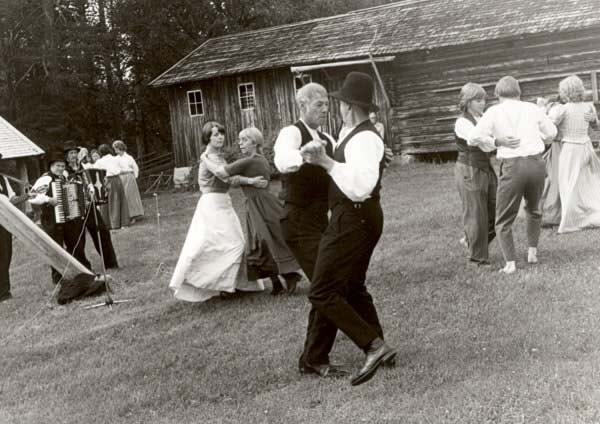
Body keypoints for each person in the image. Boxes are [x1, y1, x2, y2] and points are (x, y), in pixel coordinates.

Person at [300, 72, 396, 386]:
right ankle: (382, 347)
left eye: (340, 103)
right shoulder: (352, 132)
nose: (337, 108)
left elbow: (360, 186)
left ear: (350, 106)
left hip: (354, 218)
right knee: (353, 286)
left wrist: (327, 163)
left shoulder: (365, 137)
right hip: (356, 217)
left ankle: (373, 346)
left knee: (323, 291)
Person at [169, 121, 266, 302]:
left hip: (224, 202)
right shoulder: (208, 157)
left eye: (221, 133)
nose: (220, 137)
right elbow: (224, 176)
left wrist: (248, 180)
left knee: (234, 243)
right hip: (212, 204)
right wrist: (251, 181)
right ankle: (217, 286)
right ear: (207, 138)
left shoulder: (218, 157)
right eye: (215, 134)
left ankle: (232, 285)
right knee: (219, 245)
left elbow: (228, 176)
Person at [469, 76, 557, 274]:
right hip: (536, 163)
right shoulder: (532, 109)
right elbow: (552, 132)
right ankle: (532, 252)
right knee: (534, 209)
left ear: (498, 94)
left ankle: (510, 263)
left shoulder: (494, 111)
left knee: (504, 217)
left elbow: (474, 138)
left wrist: (497, 142)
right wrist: (537, 136)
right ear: (519, 92)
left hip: (513, 165)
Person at [201, 127, 303, 295]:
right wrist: (248, 180)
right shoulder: (251, 160)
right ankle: (276, 282)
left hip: (262, 205)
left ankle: (290, 275)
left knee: (267, 241)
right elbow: (231, 181)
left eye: (244, 140)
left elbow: (221, 172)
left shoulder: (253, 160)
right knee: (257, 244)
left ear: (254, 143)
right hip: (254, 205)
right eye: (239, 140)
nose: (240, 143)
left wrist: (205, 158)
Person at [454, 83, 520, 266]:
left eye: (484, 99)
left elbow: (497, 135)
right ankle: (477, 258)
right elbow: (477, 140)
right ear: (467, 102)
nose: (483, 103)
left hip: (485, 167)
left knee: (497, 210)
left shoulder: (484, 117)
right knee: (476, 213)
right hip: (469, 168)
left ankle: (471, 241)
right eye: (477, 100)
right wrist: (498, 141)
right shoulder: (462, 121)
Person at [29, 148, 92, 284]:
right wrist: (48, 200)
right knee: (56, 248)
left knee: (75, 244)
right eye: (58, 166)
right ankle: (58, 278)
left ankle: (84, 271)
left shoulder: (65, 177)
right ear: (51, 166)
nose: (60, 168)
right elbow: (32, 197)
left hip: (67, 218)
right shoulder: (46, 178)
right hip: (51, 219)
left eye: (62, 166)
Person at [548, 75, 600, 233]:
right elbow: (596, 127)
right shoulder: (589, 106)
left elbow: (548, 127)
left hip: (570, 148)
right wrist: (593, 121)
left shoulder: (562, 109)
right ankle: (590, 212)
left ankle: (571, 219)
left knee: (568, 184)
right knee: (588, 182)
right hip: (586, 146)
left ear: (565, 92)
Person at [64, 140, 119, 269]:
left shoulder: (82, 167)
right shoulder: (65, 171)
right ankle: (82, 268)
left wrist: (102, 186)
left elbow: (92, 182)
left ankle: (110, 263)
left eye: (75, 153)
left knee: (102, 231)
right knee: (78, 238)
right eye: (71, 153)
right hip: (75, 208)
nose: (73, 155)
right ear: (66, 156)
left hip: (89, 206)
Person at [94, 144, 130, 230]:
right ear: (109, 150)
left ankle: (108, 223)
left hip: (105, 181)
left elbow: (95, 172)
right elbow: (124, 168)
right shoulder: (116, 159)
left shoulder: (99, 162)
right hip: (116, 180)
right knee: (118, 200)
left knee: (106, 201)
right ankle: (122, 223)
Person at [0, 153, 19, 301]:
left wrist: (28, 196)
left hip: (4, 223)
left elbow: (12, 199)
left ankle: (4, 291)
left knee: (6, 255)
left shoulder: (3, 178)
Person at [113, 140, 144, 223]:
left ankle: (134, 215)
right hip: (120, 178)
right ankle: (126, 216)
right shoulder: (116, 159)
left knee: (130, 196)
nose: (115, 150)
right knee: (123, 197)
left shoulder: (129, 157)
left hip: (129, 177)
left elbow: (135, 167)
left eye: (115, 148)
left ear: (120, 148)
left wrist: (134, 177)